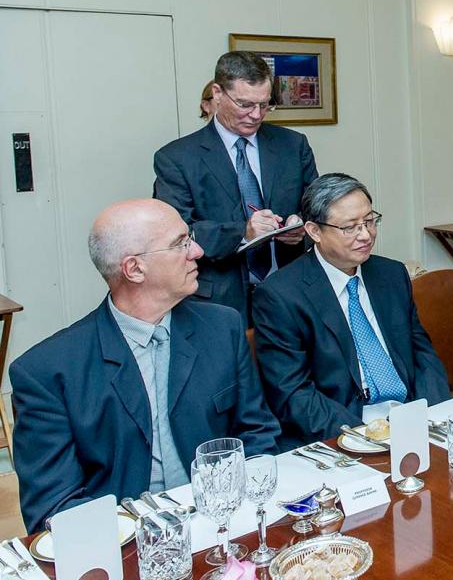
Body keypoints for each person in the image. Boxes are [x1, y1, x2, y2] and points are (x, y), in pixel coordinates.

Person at [11, 199, 279, 532]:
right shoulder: (48, 371)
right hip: (125, 547)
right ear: (134, 269)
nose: (197, 251)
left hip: (225, 526)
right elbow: (53, 506)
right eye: (180, 243)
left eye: (190, 238)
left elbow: (257, 434)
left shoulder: (222, 328)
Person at [253, 174, 449, 447]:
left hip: (410, 418)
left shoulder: (391, 274)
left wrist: (434, 414)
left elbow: (421, 354)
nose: (366, 235)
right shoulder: (280, 295)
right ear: (314, 231)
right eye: (349, 227)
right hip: (345, 430)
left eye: (369, 221)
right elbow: (293, 393)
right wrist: (366, 436)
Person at [154, 51, 318, 320]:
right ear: (217, 93)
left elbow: (318, 209)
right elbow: (177, 232)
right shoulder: (177, 158)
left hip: (292, 291)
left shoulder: (293, 145)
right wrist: (244, 231)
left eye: (265, 105)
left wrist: (301, 227)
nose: (256, 115)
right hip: (218, 301)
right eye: (245, 104)